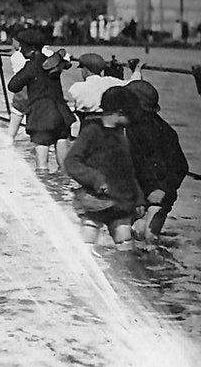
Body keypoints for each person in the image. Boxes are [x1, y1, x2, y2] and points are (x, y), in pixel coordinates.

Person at [64, 86, 143, 251]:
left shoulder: (124, 135)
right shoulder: (91, 131)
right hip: (95, 200)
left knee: (125, 243)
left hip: (121, 202)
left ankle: (124, 273)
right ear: (119, 113)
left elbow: (129, 171)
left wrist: (139, 199)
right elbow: (71, 162)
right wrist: (95, 179)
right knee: (87, 241)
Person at [125, 80, 188, 240]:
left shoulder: (165, 132)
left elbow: (180, 167)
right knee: (133, 234)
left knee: (149, 236)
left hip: (160, 193)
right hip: (136, 192)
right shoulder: (126, 130)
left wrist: (163, 190)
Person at [7, 29, 76, 173]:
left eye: (23, 47)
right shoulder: (53, 62)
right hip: (61, 113)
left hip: (41, 116)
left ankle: (48, 190)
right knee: (64, 165)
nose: (20, 50)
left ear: (31, 49)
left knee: (42, 167)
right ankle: (64, 190)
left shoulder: (31, 66)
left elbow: (13, 86)